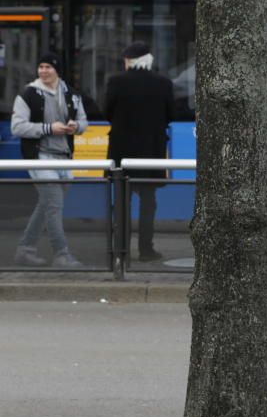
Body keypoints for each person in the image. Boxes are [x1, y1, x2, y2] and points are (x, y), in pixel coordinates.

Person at [11, 52, 89, 268]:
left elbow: (84, 122)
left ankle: (25, 249)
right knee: (53, 203)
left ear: (57, 70)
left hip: (64, 158)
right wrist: (48, 128)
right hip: (40, 157)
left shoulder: (72, 95)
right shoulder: (28, 94)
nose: (43, 71)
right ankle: (61, 255)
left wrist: (76, 127)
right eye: (41, 67)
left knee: (46, 204)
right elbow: (17, 127)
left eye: (48, 67)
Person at [104, 42, 175, 262]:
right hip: (150, 152)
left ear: (130, 61)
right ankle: (146, 249)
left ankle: (121, 250)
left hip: (122, 151)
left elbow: (107, 112)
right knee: (148, 202)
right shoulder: (163, 83)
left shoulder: (116, 82)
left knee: (122, 202)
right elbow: (170, 114)